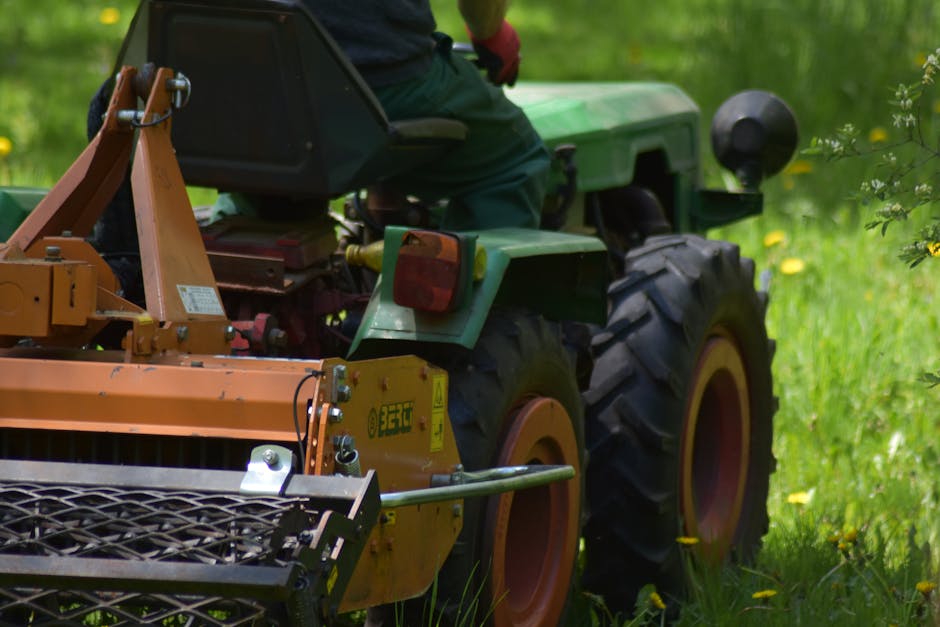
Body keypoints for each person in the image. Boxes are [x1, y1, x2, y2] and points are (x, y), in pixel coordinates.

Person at [307, 0, 550, 231]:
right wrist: (491, 33)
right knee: (514, 156)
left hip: (279, 90)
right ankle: (461, 270)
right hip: (381, 83)